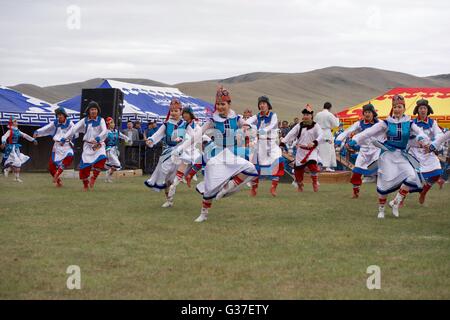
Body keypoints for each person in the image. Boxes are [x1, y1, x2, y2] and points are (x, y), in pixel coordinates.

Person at [348, 95, 427, 219]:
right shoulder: (386, 123)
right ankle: (381, 210)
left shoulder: (410, 123)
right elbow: (369, 132)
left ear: (404, 108)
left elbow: (420, 133)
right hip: (387, 155)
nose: (397, 109)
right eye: (395, 107)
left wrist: (422, 138)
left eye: (399, 107)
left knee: (412, 176)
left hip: (402, 155)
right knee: (384, 182)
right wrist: (355, 139)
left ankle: (396, 202)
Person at [193, 86, 258, 223]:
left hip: (232, 154)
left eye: (223, 104)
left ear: (229, 104)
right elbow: (198, 133)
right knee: (210, 186)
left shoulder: (236, 118)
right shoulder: (213, 120)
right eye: (218, 104)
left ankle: (229, 186)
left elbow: (247, 125)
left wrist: (246, 127)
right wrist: (185, 145)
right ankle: (204, 214)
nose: (220, 107)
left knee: (250, 168)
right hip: (217, 155)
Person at [144, 98, 186, 208]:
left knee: (173, 179)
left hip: (180, 153)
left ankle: (172, 193)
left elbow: (194, 135)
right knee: (166, 178)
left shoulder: (185, 124)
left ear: (181, 111)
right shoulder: (166, 124)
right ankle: (169, 200)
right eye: (172, 111)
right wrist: (151, 140)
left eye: (176, 111)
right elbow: (158, 134)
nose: (173, 113)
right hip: (167, 154)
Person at [335, 103, 383, 198]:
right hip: (363, 151)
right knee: (357, 171)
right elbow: (348, 131)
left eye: (369, 112)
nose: (367, 114)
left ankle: (382, 191)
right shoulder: (359, 124)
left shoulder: (380, 123)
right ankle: (355, 192)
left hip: (376, 150)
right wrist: (339, 140)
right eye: (365, 112)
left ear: (373, 113)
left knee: (381, 170)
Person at [61, 101, 108, 191]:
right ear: (89, 111)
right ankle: (86, 185)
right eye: (92, 109)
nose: (94, 111)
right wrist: (64, 137)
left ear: (97, 111)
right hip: (87, 146)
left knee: (102, 158)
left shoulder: (101, 120)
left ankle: (93, 177)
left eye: (95, 109)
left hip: (98, 145)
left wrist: (98, 138)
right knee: (84, 168)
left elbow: (104, 130)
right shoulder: (84, 120)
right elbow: (74, 129)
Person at [245, 96, 284, 197]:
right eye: (260, 103)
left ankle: (273, 187)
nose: (262, 105)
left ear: (268, 105)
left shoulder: (273, 115)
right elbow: (248, 121)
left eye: (264, 103)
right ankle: (254, 188)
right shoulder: (257, 116)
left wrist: (260, 131)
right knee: (256, 167)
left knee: (278, 162)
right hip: (261, 144)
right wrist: (246, 125)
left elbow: (271, 125)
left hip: (272, 144)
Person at [280, 104, 323, 192]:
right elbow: (291, 134)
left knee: (312, 165)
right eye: (304, 115)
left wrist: (314, 142)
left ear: (311, 116)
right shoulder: (299, 125)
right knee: (298, 172)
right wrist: (283, 142)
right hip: (300, 151)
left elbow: (321, 135)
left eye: (307, 115)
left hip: (311, 151)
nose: (305, 116)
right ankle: (300, 185)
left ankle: (314, 182)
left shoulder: (316, 126)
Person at [408, 99, 444, 203]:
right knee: (410, 177)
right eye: (420, 108)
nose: (423, 110)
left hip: (428, 152)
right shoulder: (412, 122)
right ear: (417, 110)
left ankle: (424, 191)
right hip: (414, 152)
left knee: (437, 173)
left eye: (424, 108)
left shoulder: (432, 122)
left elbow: (439, 135)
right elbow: (408, 136)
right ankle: (400, 199)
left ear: (427, 110)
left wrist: (433, 144)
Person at [33, 107, 75, 187]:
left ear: (64, 115)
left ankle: (58, 172)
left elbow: (73, 131)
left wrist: (65, 138)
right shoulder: (55, 123)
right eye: (58, 115)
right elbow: (46, 128)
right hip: (57, 146)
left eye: (61, 115)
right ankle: (58, 182)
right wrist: (37, 132)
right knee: (51, 167)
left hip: (66, 145)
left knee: (70, 156)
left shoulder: (70, 123)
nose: (59, 116)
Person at [167, 106, 202, 198]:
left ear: (191, 114)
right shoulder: (182, 125)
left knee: (202, 164)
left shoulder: (197, 126)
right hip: (183, 150)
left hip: (194, 151)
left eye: (187, 113)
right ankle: (173, 188)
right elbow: (177, 135)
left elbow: (199, 137)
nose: (185, 115)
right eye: (184, 113)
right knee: (178, 172)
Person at [1, 116, 37, 182]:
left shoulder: (18, 131)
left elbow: (25, 135)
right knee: (17, 162)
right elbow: (4, 136)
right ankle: (16, 177)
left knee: (19, 161)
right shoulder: (10, 131)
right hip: (11, 148)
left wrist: (32, 140)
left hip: (16, 148)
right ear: (12, 123)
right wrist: (3, 142)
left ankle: (8, 169)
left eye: (16, 121)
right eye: (15, 121)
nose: (17, 122)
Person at [315, 102, 340, 171]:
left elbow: (314, 123)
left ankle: (319, 165)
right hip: (326, 133)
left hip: (318, 132)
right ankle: (326, 166)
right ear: (330, 108)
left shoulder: (318, 114)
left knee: (319, 149)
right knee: (328, 149)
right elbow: (336, 125)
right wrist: (337, 118)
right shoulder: (329, 114)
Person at [104, 117, 130, 183]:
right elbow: (101, 140)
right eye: (111, 123)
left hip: (115, 150)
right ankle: (108, 172)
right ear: (108, 124)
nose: (113, 124)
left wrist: (128, 139)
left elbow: (123, 136)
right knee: (117, 164)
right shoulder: (106, 132)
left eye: (113, 122)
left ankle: (108, 176)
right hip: (109, 150)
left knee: (115, 166)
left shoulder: (116, 131)